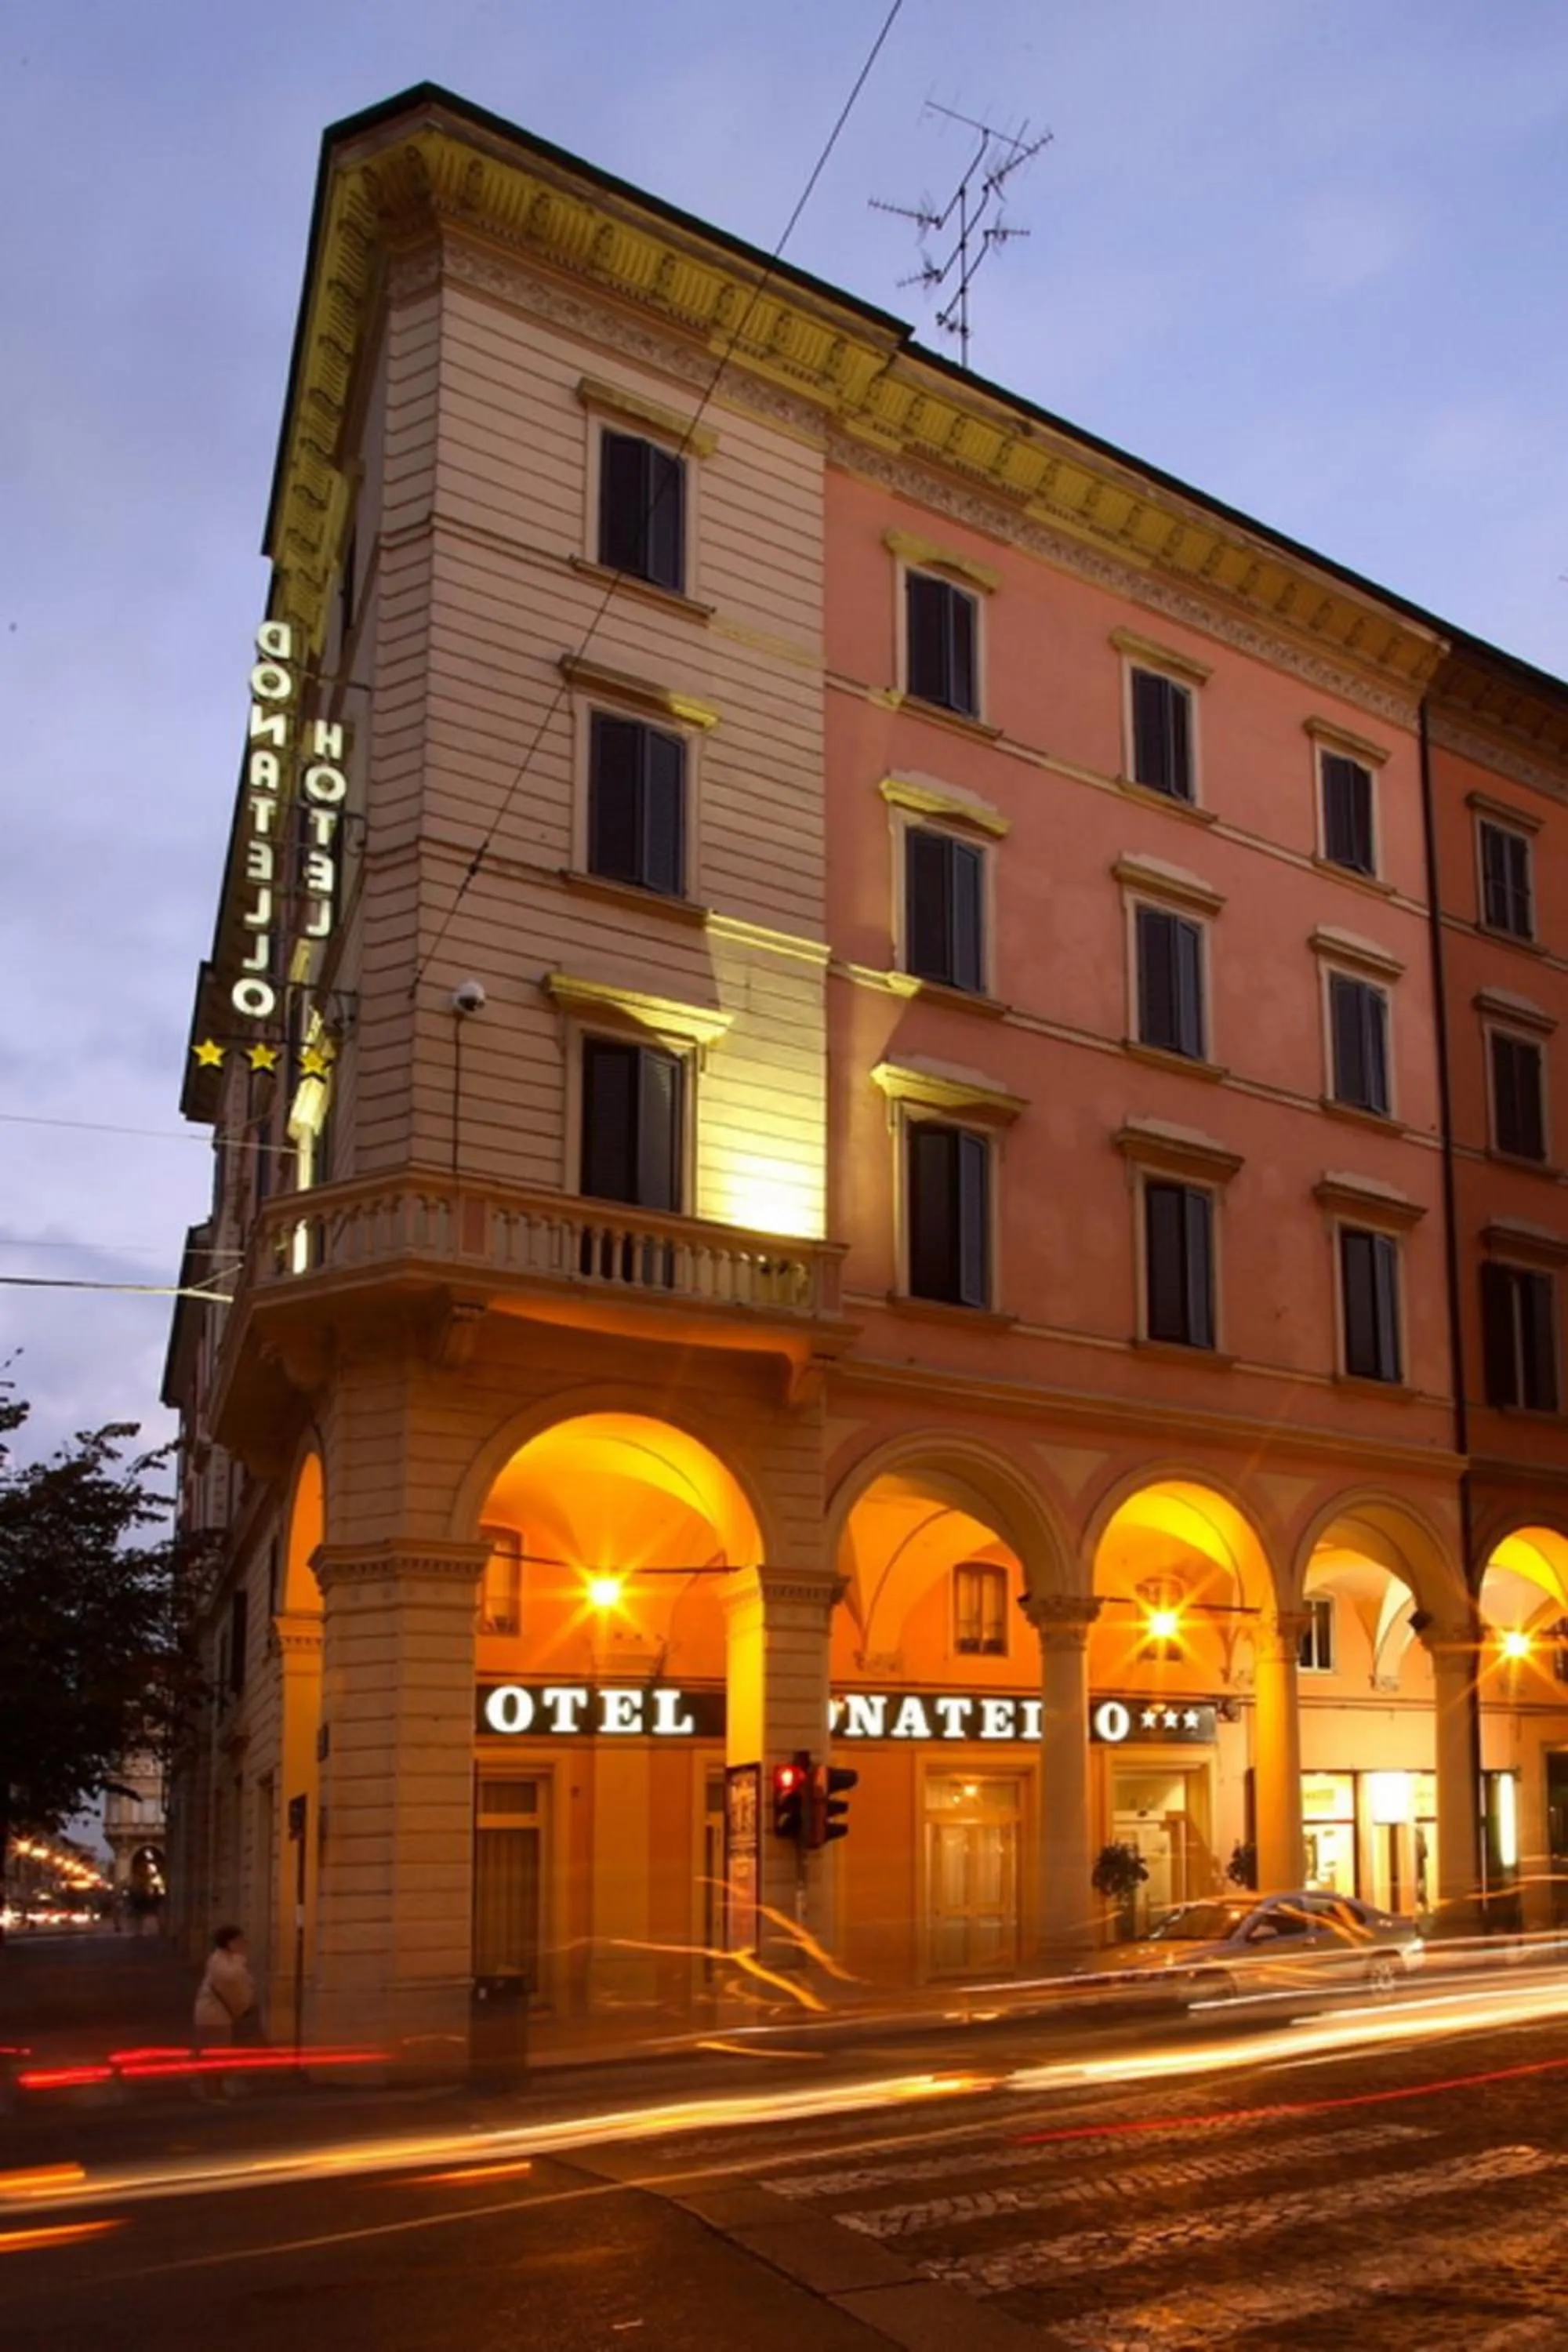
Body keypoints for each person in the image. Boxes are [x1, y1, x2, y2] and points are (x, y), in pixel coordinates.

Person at [193, 1926, 262, 2095]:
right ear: (229, 1943)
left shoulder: (227, 1960)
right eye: (239, 1940)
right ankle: (211, 2090)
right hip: (214, 2015)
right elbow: (233, 1981)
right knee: (215, 2055)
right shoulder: (222, 1962)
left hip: (221, 2014)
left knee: (218, 2054)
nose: (244, 1944)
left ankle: (215, 2087)